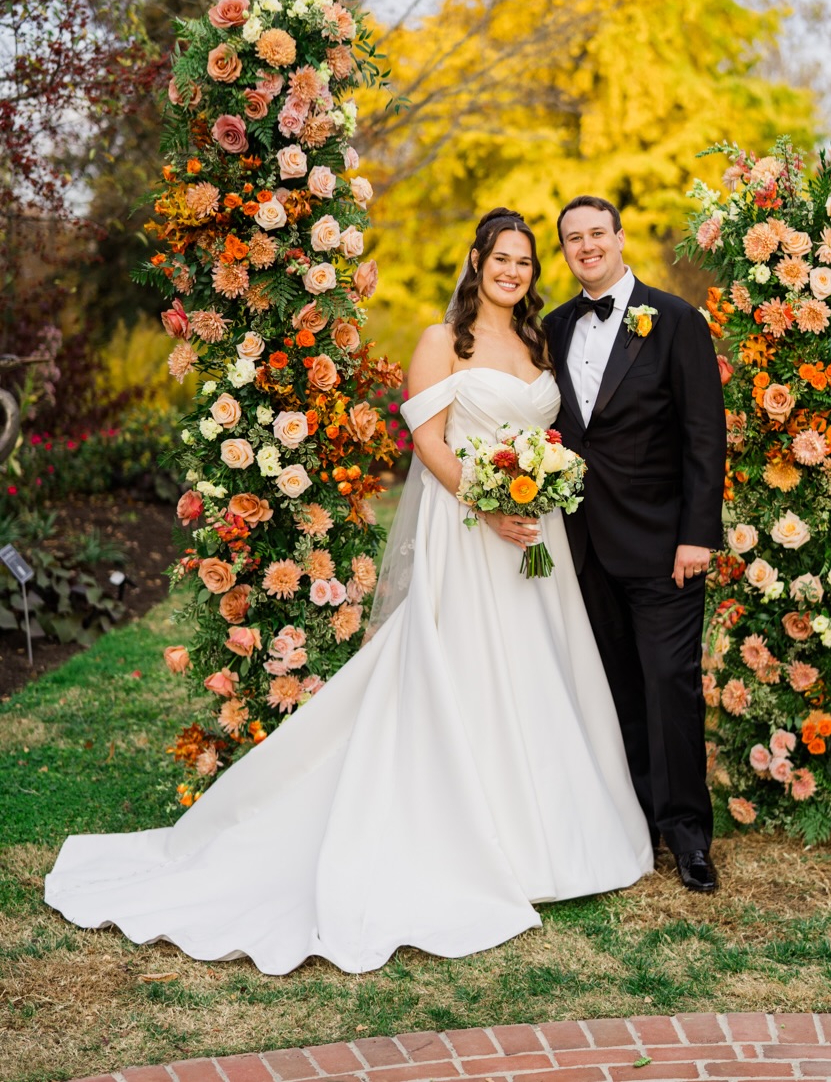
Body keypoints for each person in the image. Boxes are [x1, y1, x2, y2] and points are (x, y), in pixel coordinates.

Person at [44, 208, 652, 976]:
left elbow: (550, 429)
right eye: (502, 258)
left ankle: (559, 834)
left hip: (535, 539)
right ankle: (477, 836)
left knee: (542, 670)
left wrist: (536, 485)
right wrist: (487, 500)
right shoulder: (444, 341)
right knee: (467, 671)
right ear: (476, 259)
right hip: (468, 530)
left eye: (525, 262)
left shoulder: (539, 341)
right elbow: (429, 442)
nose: (512, 272)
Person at [545, 196, 726, 893]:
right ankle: (634, 823)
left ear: (619, 238)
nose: (587, 246)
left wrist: (696, 537)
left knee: (669, 686)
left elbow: (704, 437)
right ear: (564, 250)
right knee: (614, 691)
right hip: (582, 546)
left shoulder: (675, 320)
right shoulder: (554, 326)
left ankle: (688, 835)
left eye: (597, 233)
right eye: (573, 238)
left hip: (661, 547)